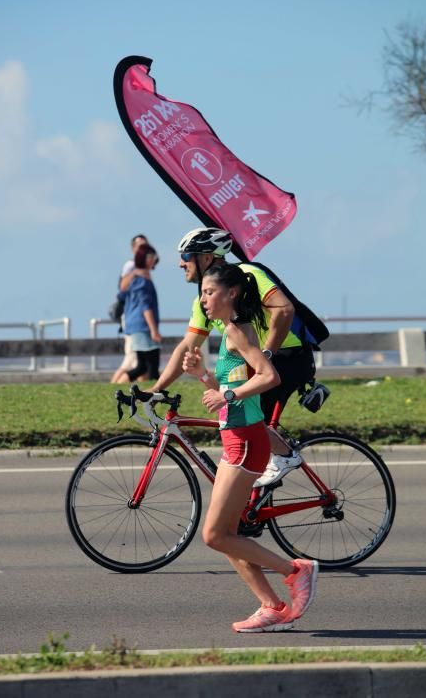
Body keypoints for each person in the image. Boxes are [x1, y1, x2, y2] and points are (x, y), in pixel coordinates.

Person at [182, 263, 318, 632]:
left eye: (209, 293)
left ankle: (295, 571)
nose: (203, 299)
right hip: (238, 441)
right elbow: (235, 388)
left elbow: (268, 376)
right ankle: (271, 606)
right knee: (227, 536)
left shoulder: (238, 333)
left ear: (231, 294)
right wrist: (203, 378)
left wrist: (226, 392)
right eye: (203, 293)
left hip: (245, 444)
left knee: (215, 535)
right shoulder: (229, 333)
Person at [150, 227, 317, 487]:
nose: (180, 263)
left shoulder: (248, 275)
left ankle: (284, 457)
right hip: (259, 363)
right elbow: (187, 346)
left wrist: (265, 356)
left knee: (246, 418)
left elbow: (284, 310)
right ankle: (246, 506)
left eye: (187, 255)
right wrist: (157, 388)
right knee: (237, 420)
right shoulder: (203, 302)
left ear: (206, 258)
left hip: (286, 358)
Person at [117, 243, 162, 384]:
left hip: (136, 326)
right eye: (151, 256)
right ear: (144, 258)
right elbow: (145, 307)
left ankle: (118, 386)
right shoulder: (142, 281)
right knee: (149, 367)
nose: (154, 258)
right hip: (142, 327)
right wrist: (154, 330)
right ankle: (156, 392)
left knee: (142, 367)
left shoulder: (137, 279)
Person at [111, 234, 149, 384]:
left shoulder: (143, 267)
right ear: (133, 248)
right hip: (134, 319)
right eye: (140, 246)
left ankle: (143, 391)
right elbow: (122, 287)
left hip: (140, 319)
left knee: (141, 362)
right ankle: (113, 387)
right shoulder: (131, 266)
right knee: (131, 361)